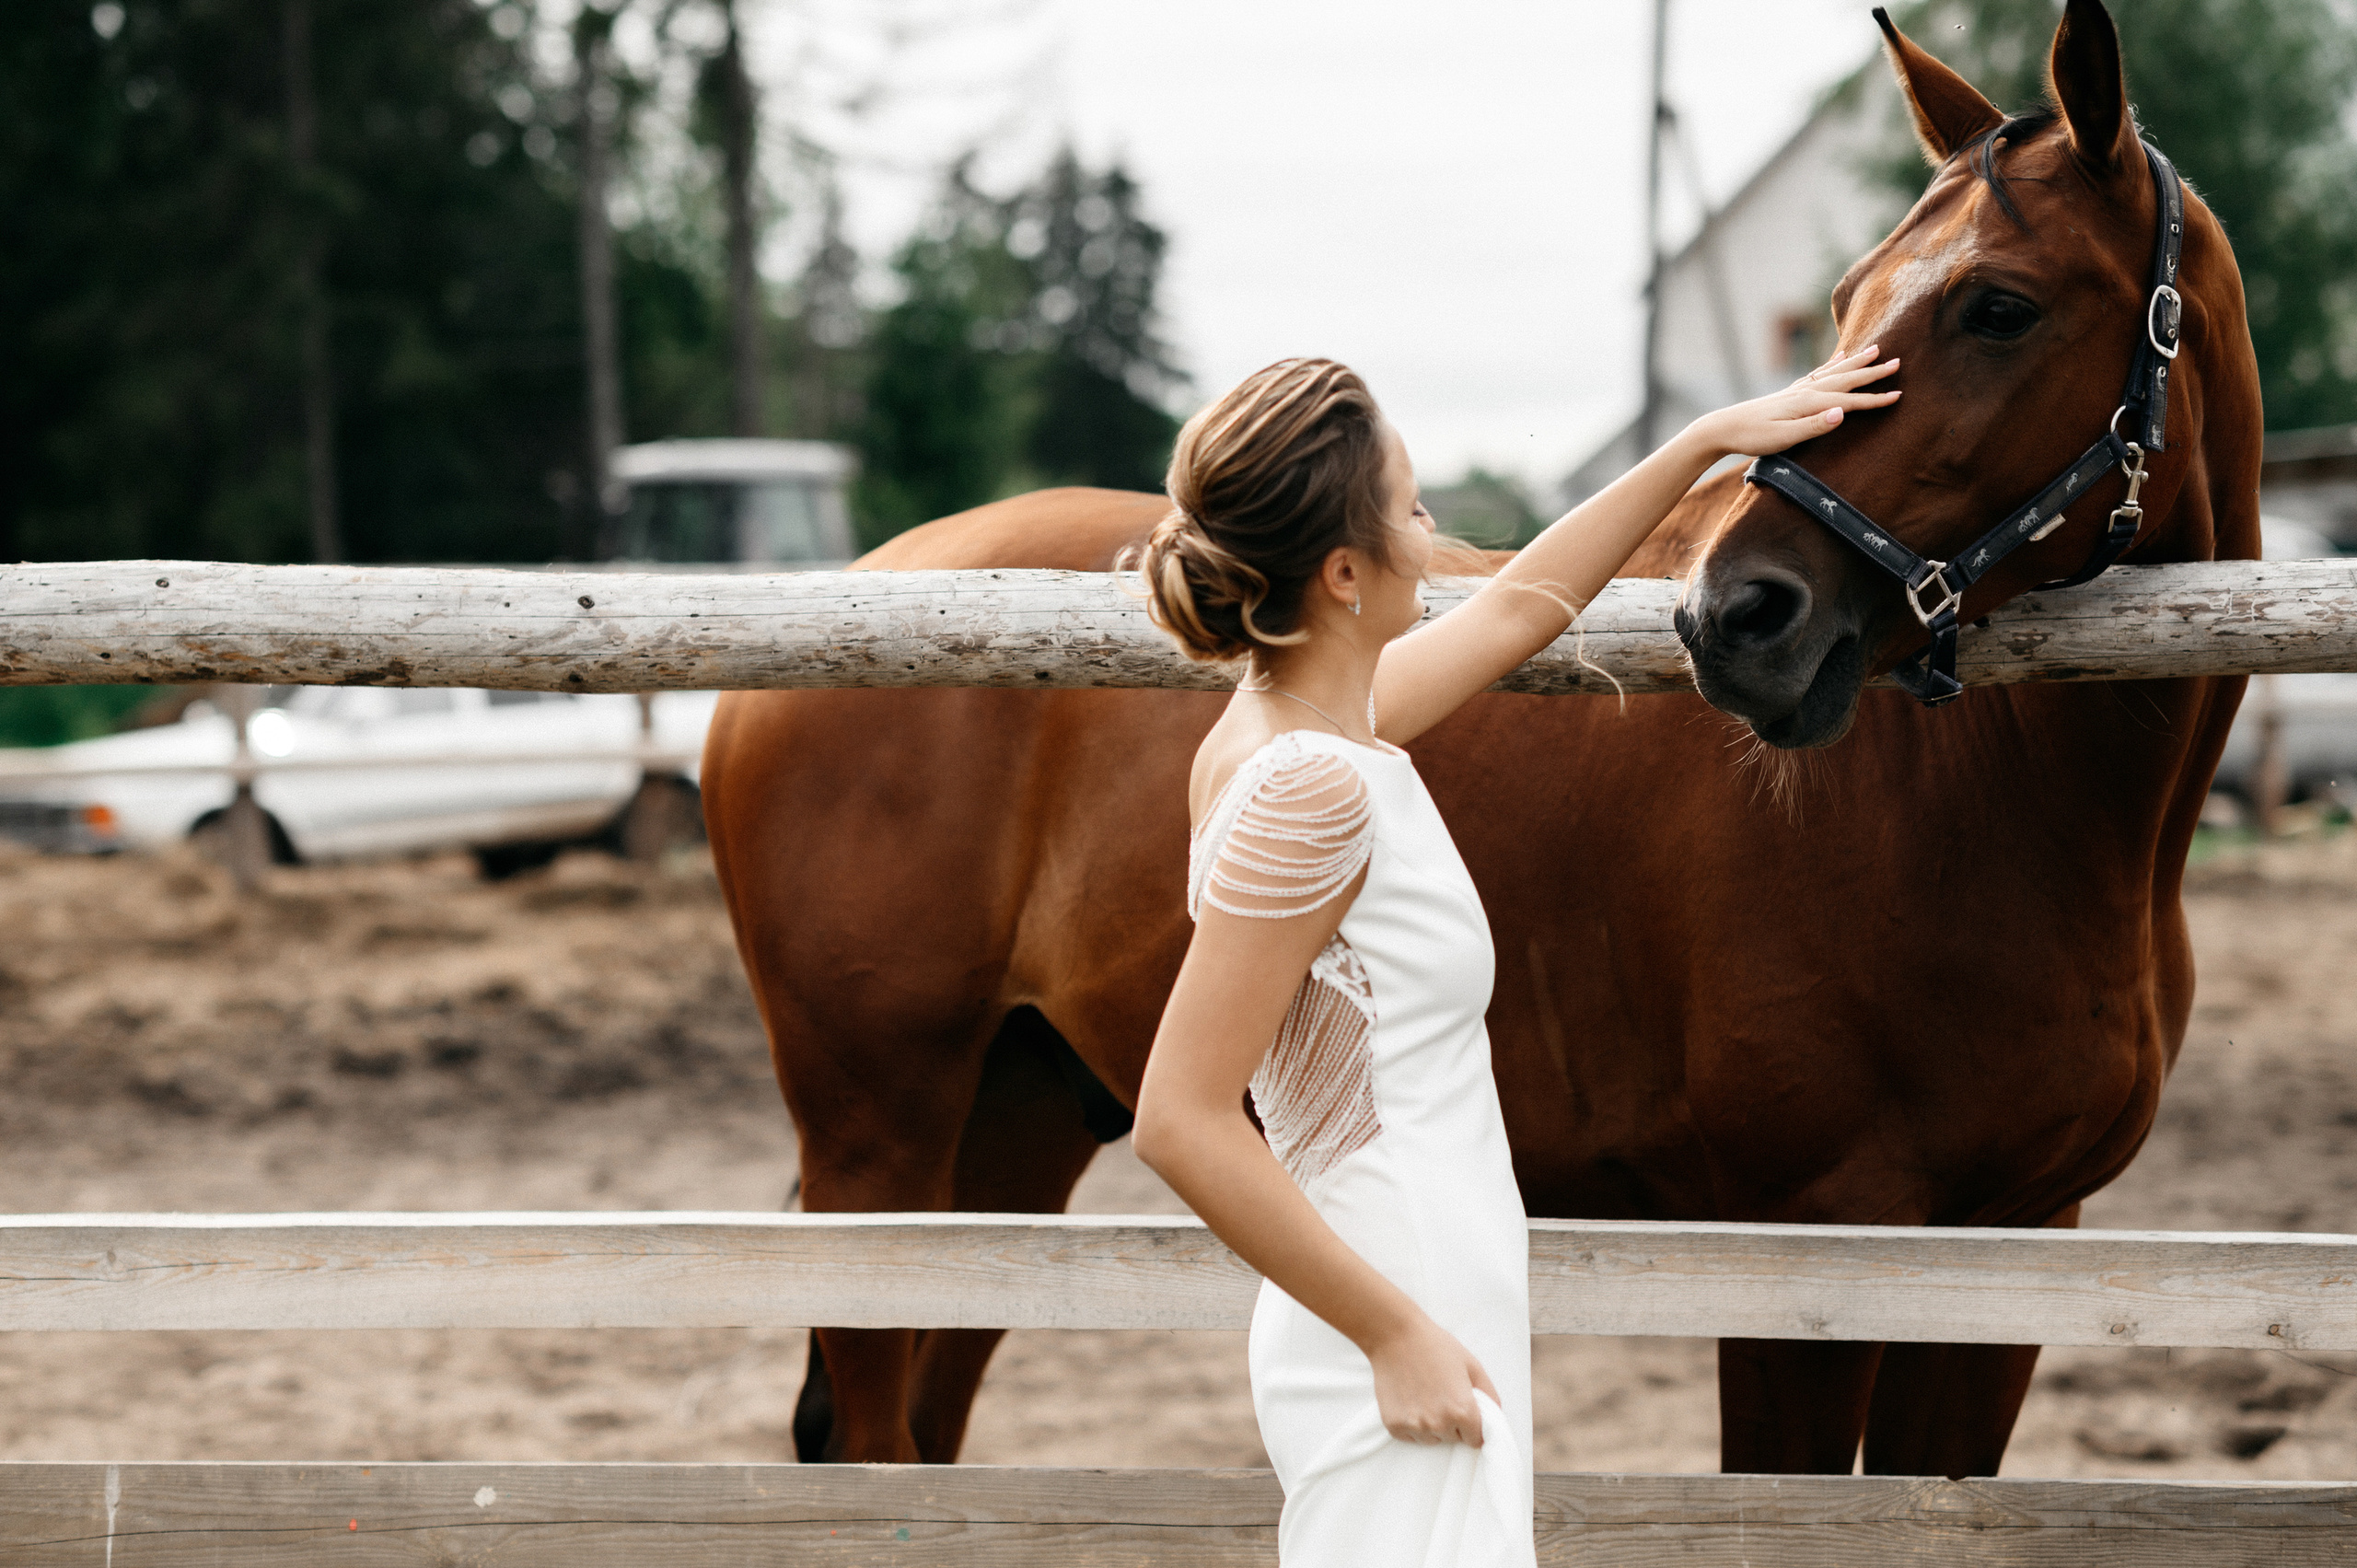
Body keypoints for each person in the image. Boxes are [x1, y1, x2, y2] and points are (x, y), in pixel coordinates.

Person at [1128, 347, 1900, 1564]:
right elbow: (1179, 1116)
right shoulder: (1311, 783)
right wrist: (1394, 1334)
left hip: (1419, 1276)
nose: (1436, 535)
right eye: (1413, 510)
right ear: (1342, 574)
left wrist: (1706, 445)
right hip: (1396, 1290)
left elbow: (1519, 608)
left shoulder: (1303, 733)